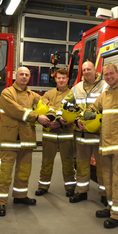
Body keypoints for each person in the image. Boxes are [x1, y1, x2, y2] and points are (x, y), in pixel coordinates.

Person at [0, 67, 53, 217]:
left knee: (24, 170)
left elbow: (46, 104)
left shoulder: (32, 95)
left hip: (26, 139)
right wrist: (37, 117)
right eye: (21, 74)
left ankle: (20, 196)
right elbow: (16, 110)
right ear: (16, 76)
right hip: (10, 139)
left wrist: (51, 115)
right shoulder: (7, 93)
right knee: (5, 171)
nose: (24, 77)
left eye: (27, 75)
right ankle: (0, 201)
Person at [82, 63, 118, 228]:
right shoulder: (105, 94)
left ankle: (117, 215)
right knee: (107, 178)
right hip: (105, 143)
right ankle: (111, 207)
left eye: (112, 74)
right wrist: (84, 116)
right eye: (106, 74)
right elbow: (92, 108)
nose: (109, 77)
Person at [60, 61, 108, 204]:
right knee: (81, 164)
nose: (86, 72)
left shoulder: (105, 86)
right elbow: (65, 104)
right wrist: (74, 119)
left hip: (99, 132)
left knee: (102, 166)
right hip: (81, 133)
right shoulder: (77, 88)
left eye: (89, 69)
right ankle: (81, 192)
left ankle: (105, 194)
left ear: (95, 70)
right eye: (84, 70)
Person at [35, 68, 76, 198]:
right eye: (59, 78)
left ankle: (70, 187)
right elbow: (42, 110)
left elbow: (77, 111)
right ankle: (43, 186)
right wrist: (48, 122)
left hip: (67, 133)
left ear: (67, 79)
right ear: (55, 79)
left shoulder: (73, 94)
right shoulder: (48, 94)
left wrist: (68, 121)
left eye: (63, 78)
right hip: (49, 133)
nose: (61, 80)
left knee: (68, 161)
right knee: (46, 161)